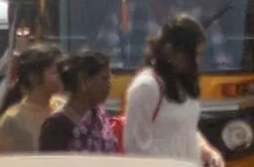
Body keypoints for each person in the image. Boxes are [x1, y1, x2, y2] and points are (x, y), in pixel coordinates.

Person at [125, 16, 222, 167]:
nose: (198, 62)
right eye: (194, 55)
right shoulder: (146, 86)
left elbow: (185, 130)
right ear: (170, 51)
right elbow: (135, 147)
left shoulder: (184, 83)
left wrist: (208, 151)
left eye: (201, 55)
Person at [36, 49, 118, 153]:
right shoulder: (56, 126)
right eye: (104, 79)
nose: (109, 85)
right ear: (83, 80)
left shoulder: (99, 116)